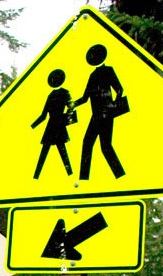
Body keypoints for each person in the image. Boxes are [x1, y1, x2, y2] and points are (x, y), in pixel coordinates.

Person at [73, 43, 126, 180]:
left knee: (99, 145)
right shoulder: (92, 75)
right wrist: (72, 104)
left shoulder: (108, 70)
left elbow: (119, 89)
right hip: (98, 115)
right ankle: (85, 179)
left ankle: (118, 176)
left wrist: (114, 104)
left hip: (105, 114)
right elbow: (85, 98)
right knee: (95, 144)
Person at [31, 68, 74, 179]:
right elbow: (43, 115)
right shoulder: (51, 95)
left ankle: (70, 174)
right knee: (47, 151)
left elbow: (71, 107)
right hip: (53, 126)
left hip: (56, 125)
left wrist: (66, 119)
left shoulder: (63, 93)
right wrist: (31, 127)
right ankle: (36, 176)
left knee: (62, 151)